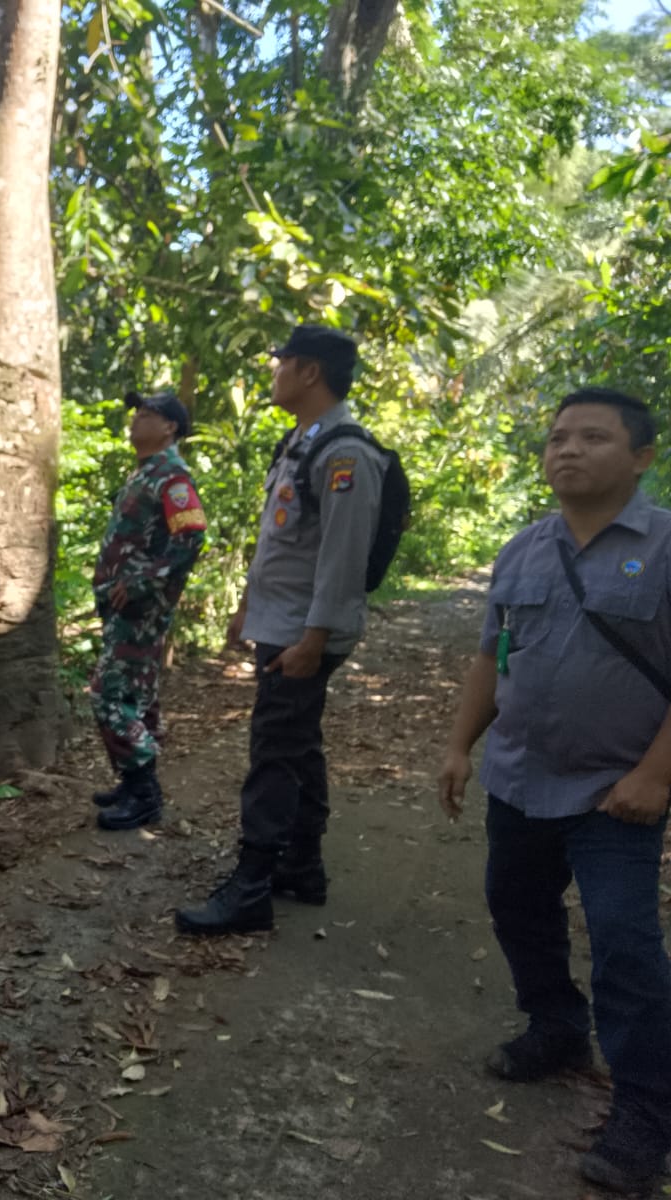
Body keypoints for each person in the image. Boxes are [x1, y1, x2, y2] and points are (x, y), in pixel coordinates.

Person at [438, 387, 671, 1196]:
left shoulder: (666, 546)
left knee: (625, 944)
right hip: (519, 778)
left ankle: (645, 1111)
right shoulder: (522, 550)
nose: (567, 449)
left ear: (641, 457)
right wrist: (459, 746)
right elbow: (491, 656)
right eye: (557, 437)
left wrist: (655, 774)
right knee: (518, 908)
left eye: (593, 438)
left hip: (614, 790)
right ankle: (556, 1025)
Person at [176, 325, 385, 936]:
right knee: (297, 743)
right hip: (283, 621)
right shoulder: (300, 443)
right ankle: (301, 865)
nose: (274, 373)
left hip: (303, 631)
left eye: (282, 363)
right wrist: (248, 605)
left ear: (310, 371)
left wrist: (313, 641)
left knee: (274, 751)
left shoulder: (346, 453)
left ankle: (251, 887)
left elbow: (342, 559)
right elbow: (279, 541)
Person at [89, 391, 207, 830]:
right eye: (137, 412)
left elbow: (191, 537)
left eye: (147, 414)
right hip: (124, 606)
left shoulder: (172, 477)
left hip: (141, 608)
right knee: (136, 695)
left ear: (170, 427)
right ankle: (134, 783)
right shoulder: (146, 473)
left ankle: (144, 792)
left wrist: (141, 582)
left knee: (109, 694)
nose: (136, 419)